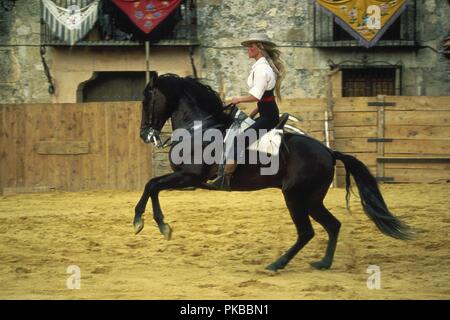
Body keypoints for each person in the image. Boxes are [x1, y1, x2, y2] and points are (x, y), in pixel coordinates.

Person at [208, 32, 285, 190]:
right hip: (266, 114)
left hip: (269, 117)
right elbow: (265, 99)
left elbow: (255, 96)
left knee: (239, 140)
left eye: (251, 46)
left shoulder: (262, 69)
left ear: (260, 49)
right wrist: (252, 114)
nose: (248, 49)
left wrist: (237, 99)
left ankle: (225, 179)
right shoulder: (261, 67)